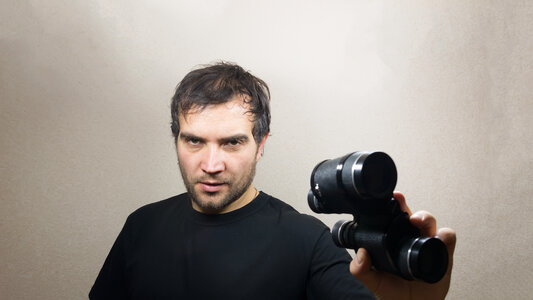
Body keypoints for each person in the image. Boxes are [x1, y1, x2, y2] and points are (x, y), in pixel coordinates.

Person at [89, 62, 456, 299]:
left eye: (232, 142)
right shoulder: (141, 226)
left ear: (261, 144)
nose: (211, 163)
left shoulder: (307, 239)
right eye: (194, 141)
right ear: (176, 138)